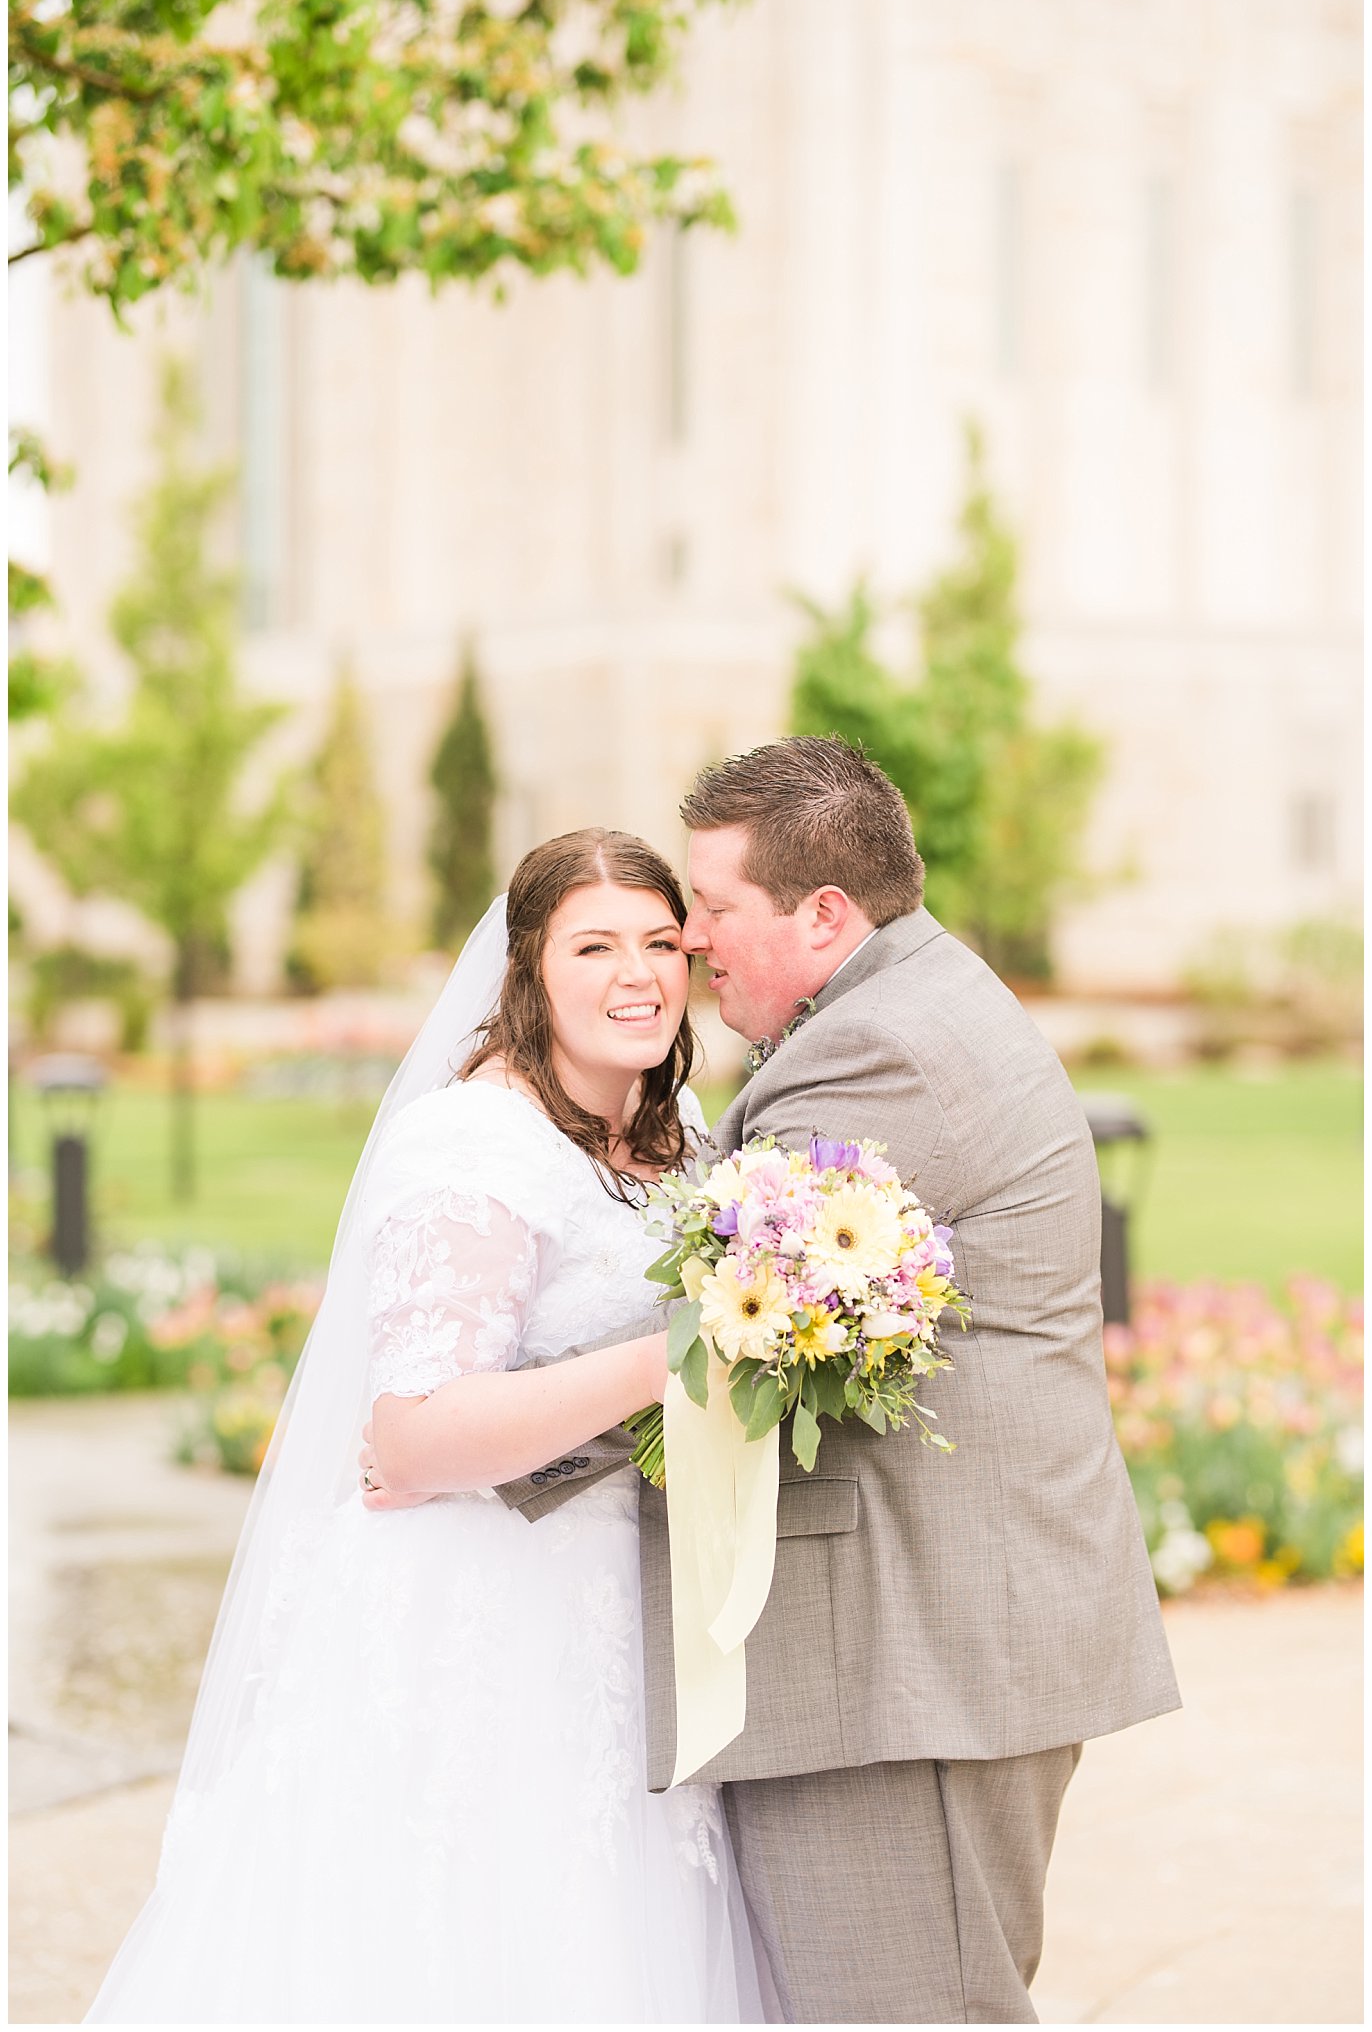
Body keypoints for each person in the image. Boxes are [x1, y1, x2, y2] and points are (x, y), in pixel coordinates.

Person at [364, 737, 1181, 2025]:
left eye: (709, 910)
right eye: (623, 934)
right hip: (899, 1644)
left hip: (916, 1654)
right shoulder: (888, 1012)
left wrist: (454, 1446)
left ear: (825, 913)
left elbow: (733, 1328)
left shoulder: (879, 1052)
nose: (687, 945)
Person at [86, 829, 766, 2025]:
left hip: (622, 1607)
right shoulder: (475, 1141)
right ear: (527, 970)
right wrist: (672, 1359)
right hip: (481, 1611)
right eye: (593, 944)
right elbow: (409, 1433)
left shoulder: (676, 1134)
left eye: (661, 941)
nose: (637, 974)